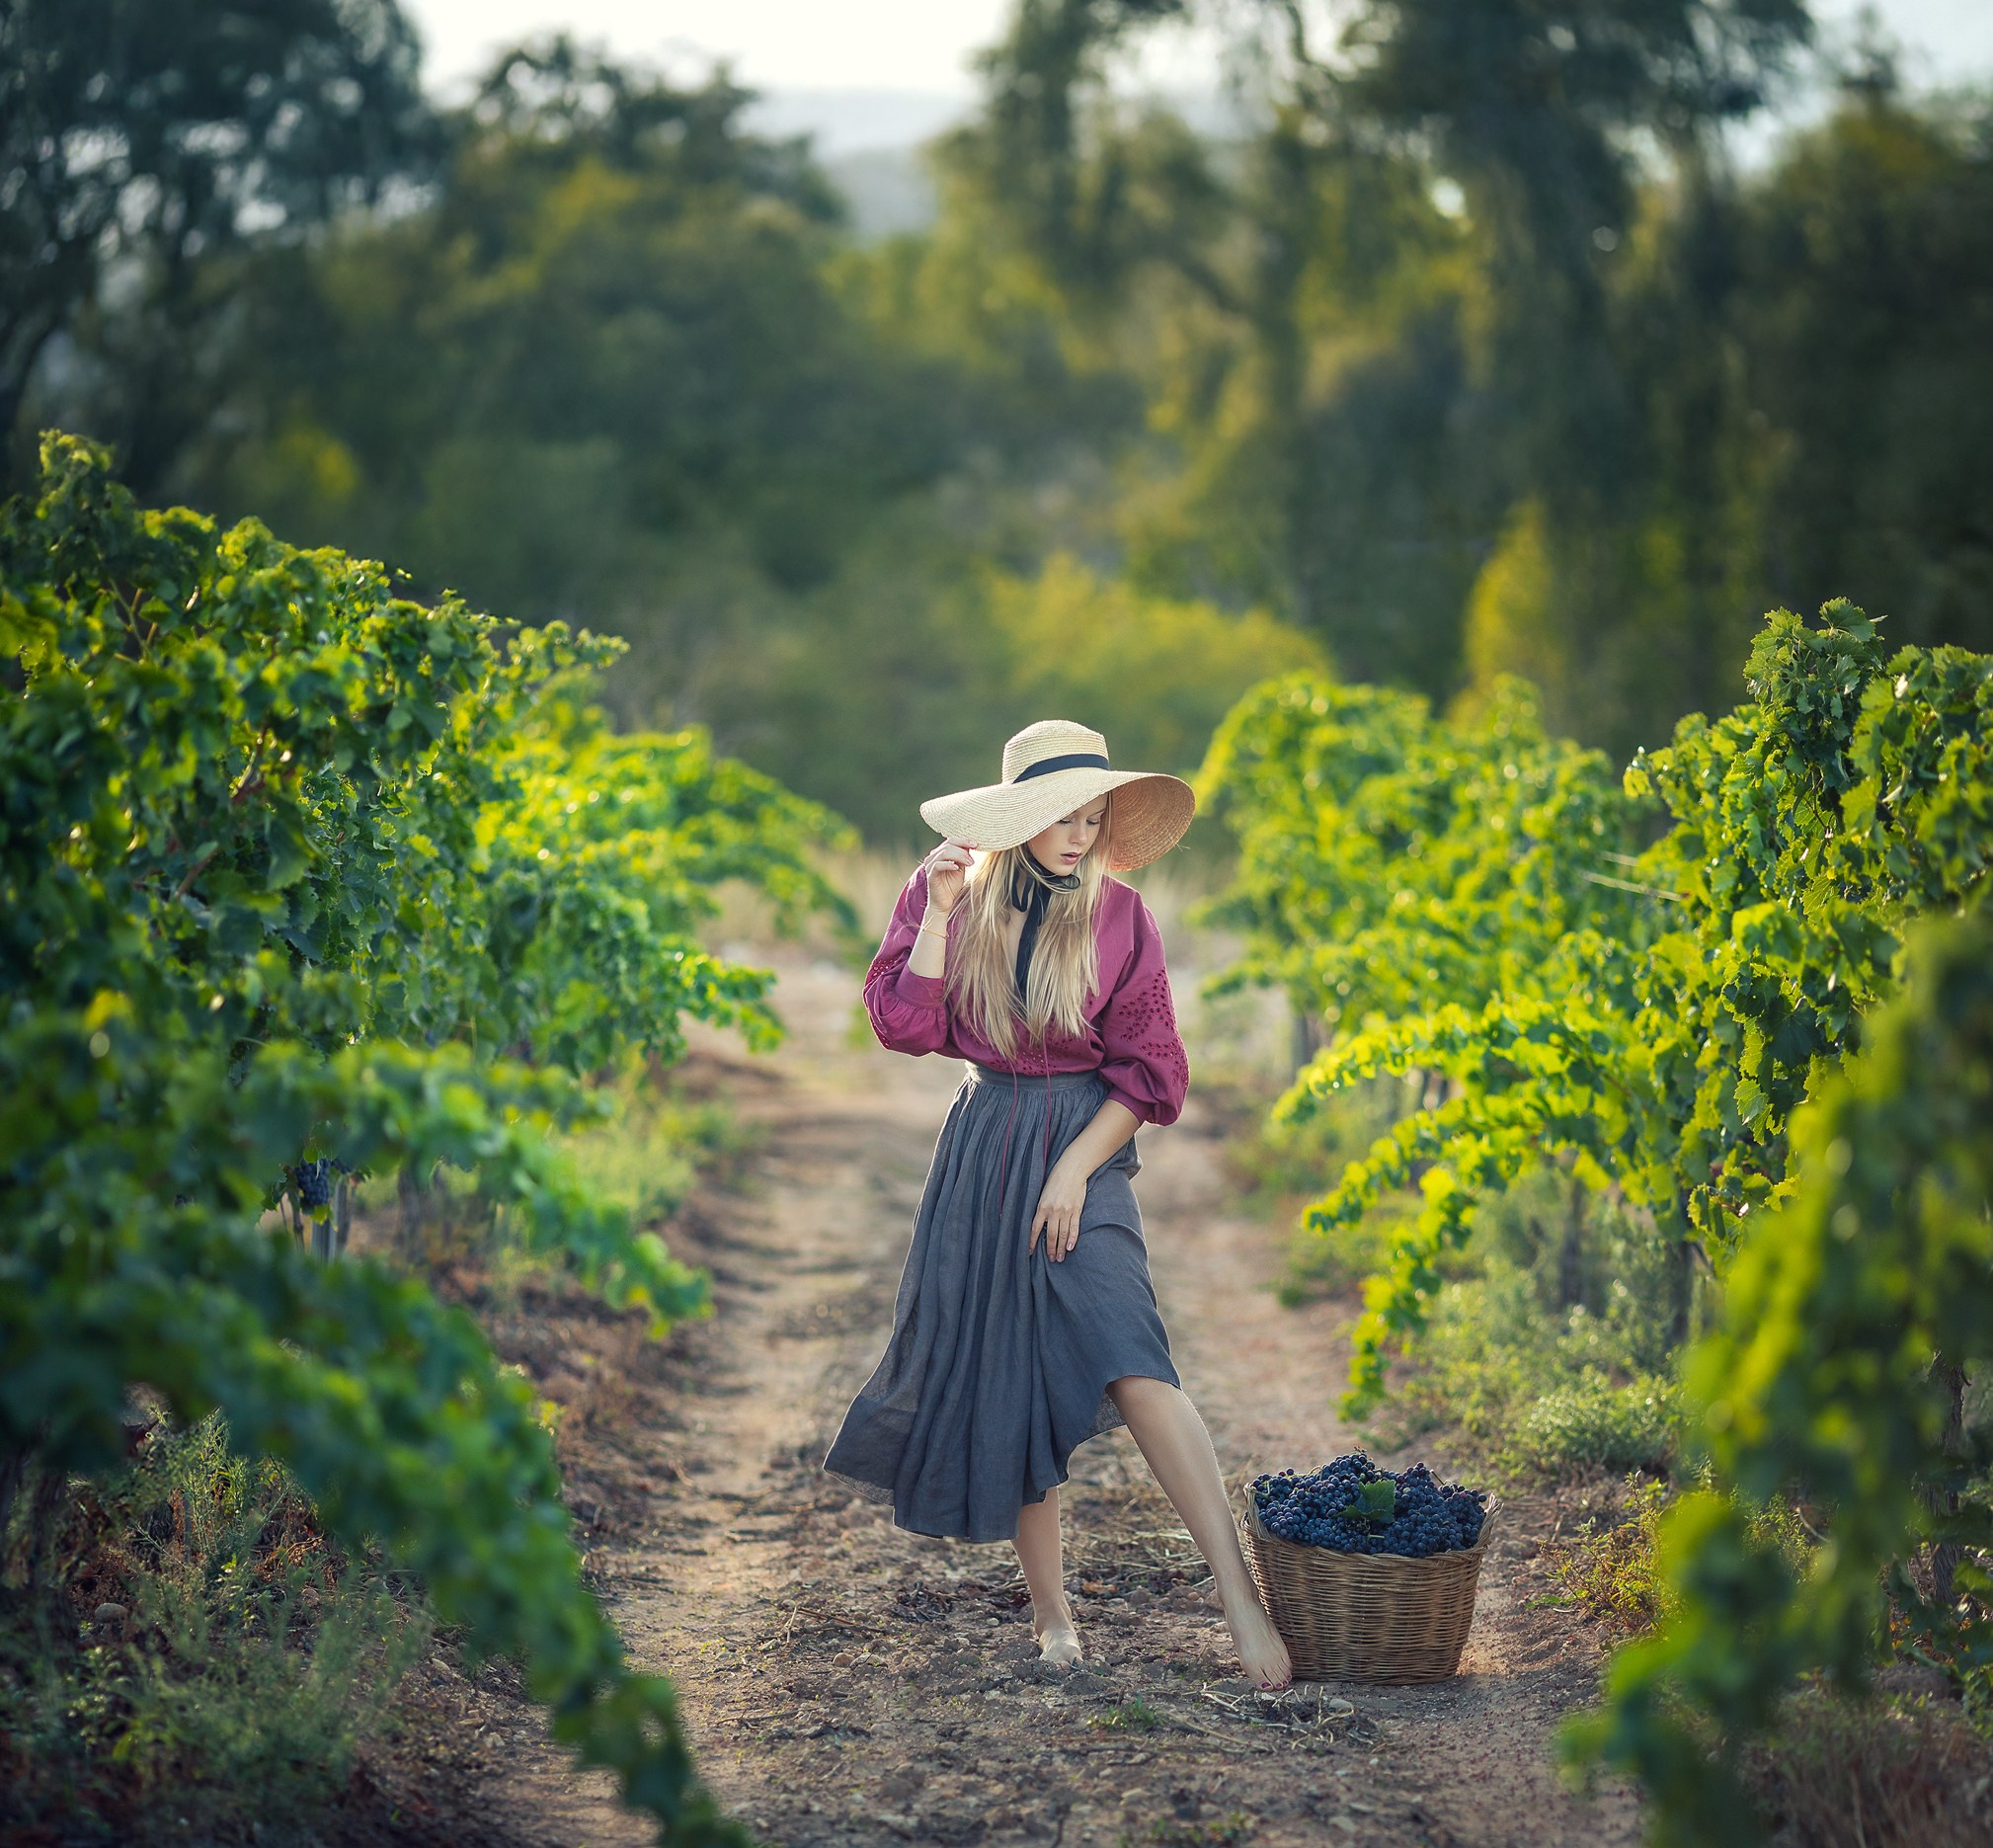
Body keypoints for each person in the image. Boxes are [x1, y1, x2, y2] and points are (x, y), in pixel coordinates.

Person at [823, 720, 1293, 1689]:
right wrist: (939, 910)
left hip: (1084, 1139)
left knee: (1131, 1353)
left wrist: (1075, 1169)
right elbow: (903, 1026)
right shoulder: (946, 893)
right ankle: (1052, 1616)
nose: (1080, 835)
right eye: (1062, 817)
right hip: (986, 1143)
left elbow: (1151, 1070)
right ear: (1018, 818)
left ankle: (1239, 1596)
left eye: (1093, 816)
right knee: (1012, 1374)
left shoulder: (1121, 916)